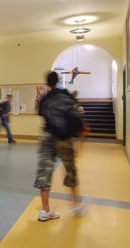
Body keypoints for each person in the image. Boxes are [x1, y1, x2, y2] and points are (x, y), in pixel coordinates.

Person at [33, 71, 86, 222]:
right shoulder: (66, 96)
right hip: (64, 139)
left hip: (47, 137)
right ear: (58, 81)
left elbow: (42, 114)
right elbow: (75, 114)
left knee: (45, 171)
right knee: (70, 169)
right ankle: (76, 203)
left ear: (46, 83)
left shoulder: (44, 100)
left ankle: (45, 210)